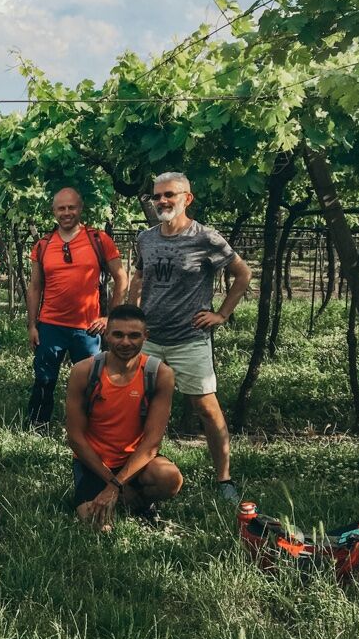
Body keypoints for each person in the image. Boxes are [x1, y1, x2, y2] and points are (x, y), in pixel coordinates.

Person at [129, 171, 252, 503]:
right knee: (138, 406)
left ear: (187, 198)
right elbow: (139, 277)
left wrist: (222, 314)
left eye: (169, 194)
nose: (162, 201)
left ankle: (224, 479)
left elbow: (242, 273)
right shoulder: (146, 238)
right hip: (151, 337)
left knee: (206, 407)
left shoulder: (206, 238)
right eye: (157, 196)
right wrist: (132, 315)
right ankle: (139, 471)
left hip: (190, 337)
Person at [65, 305, 183, 532]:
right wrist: (113, 483)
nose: (125, 342)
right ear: (106, 334)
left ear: (145, 337)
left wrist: (118, 484)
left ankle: (138, 500)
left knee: (170, 478)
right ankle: (119, 497)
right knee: (98, 526)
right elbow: (75, 438)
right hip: (94, 463)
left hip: (135, 463)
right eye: (118, 334)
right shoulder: (84, 371)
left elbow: (151, 443)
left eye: (134, 335)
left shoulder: (160, 374)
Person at [26, 187, 128, 428]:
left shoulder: (98, 240)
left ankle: (92, 427)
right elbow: (35, 287)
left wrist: (109, 318)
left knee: (92, 382)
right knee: (44, 378)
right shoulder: (43, 245)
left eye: (71, 207)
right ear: (53, 212)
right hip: (50, 325)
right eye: (61, 208)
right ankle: (37, 425)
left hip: (88, 328)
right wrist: (32, 325)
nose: (67, 212)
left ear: (80, 209)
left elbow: (121, 277)